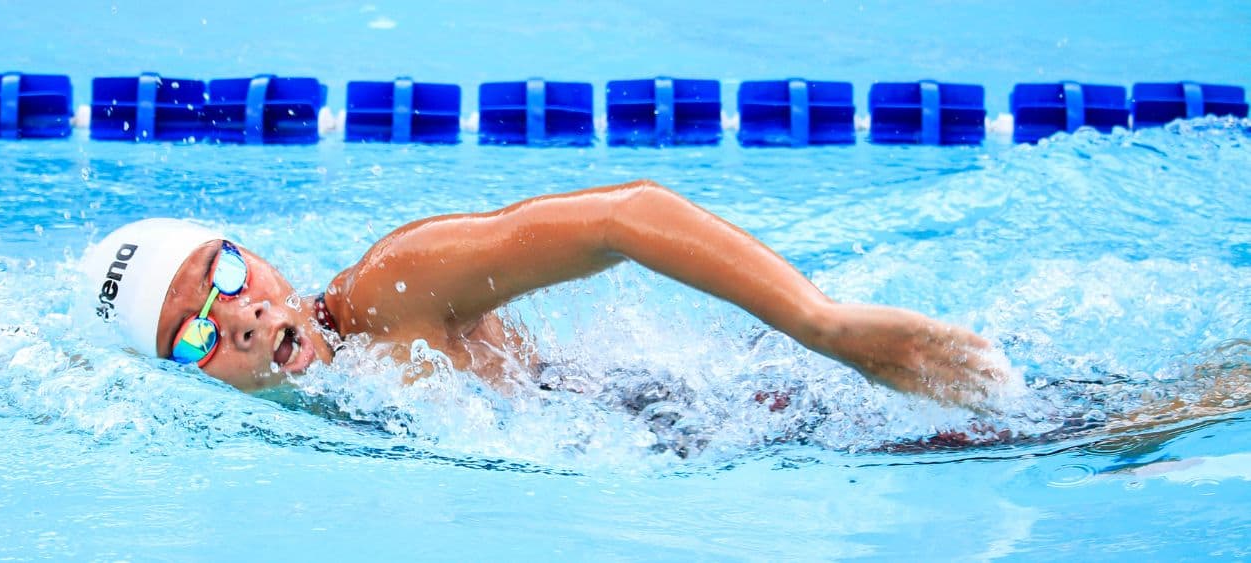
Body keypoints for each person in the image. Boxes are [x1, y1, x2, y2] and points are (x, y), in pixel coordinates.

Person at [80, 179, 1015, 411]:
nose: (236, 315)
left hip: (713, 415)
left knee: (1055, 423)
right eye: (193, 329)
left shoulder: (390, 289)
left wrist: (828, 327)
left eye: (229, 276)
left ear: (265, 266)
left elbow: (626, 215)